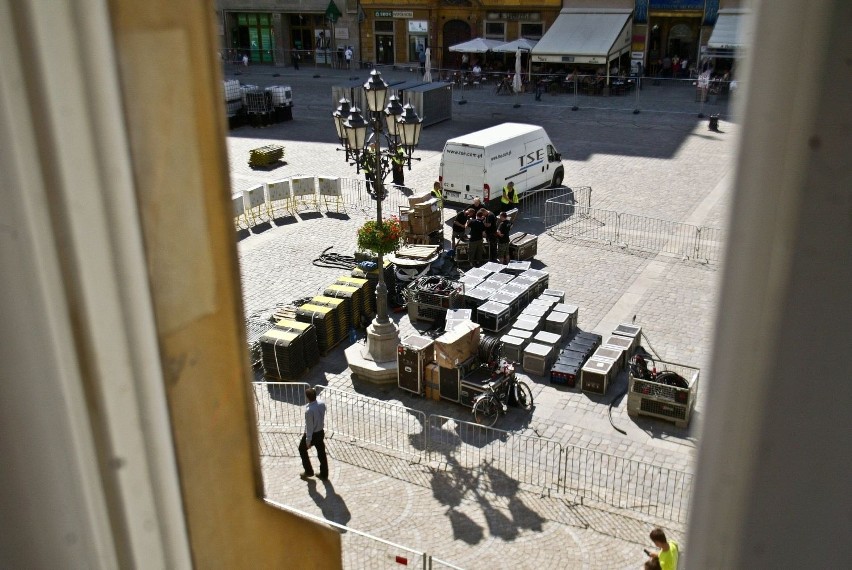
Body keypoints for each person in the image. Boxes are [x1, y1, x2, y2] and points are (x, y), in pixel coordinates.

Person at [298, 387, 328, 480]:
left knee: (302, 449)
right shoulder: (322, 404)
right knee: (321, 453)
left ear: (307, 397)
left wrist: (308, 440)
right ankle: (324, 474)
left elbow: (310, 427)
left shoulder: (309, 410)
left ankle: (309, 471)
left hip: (313, 434)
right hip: (320, 432)